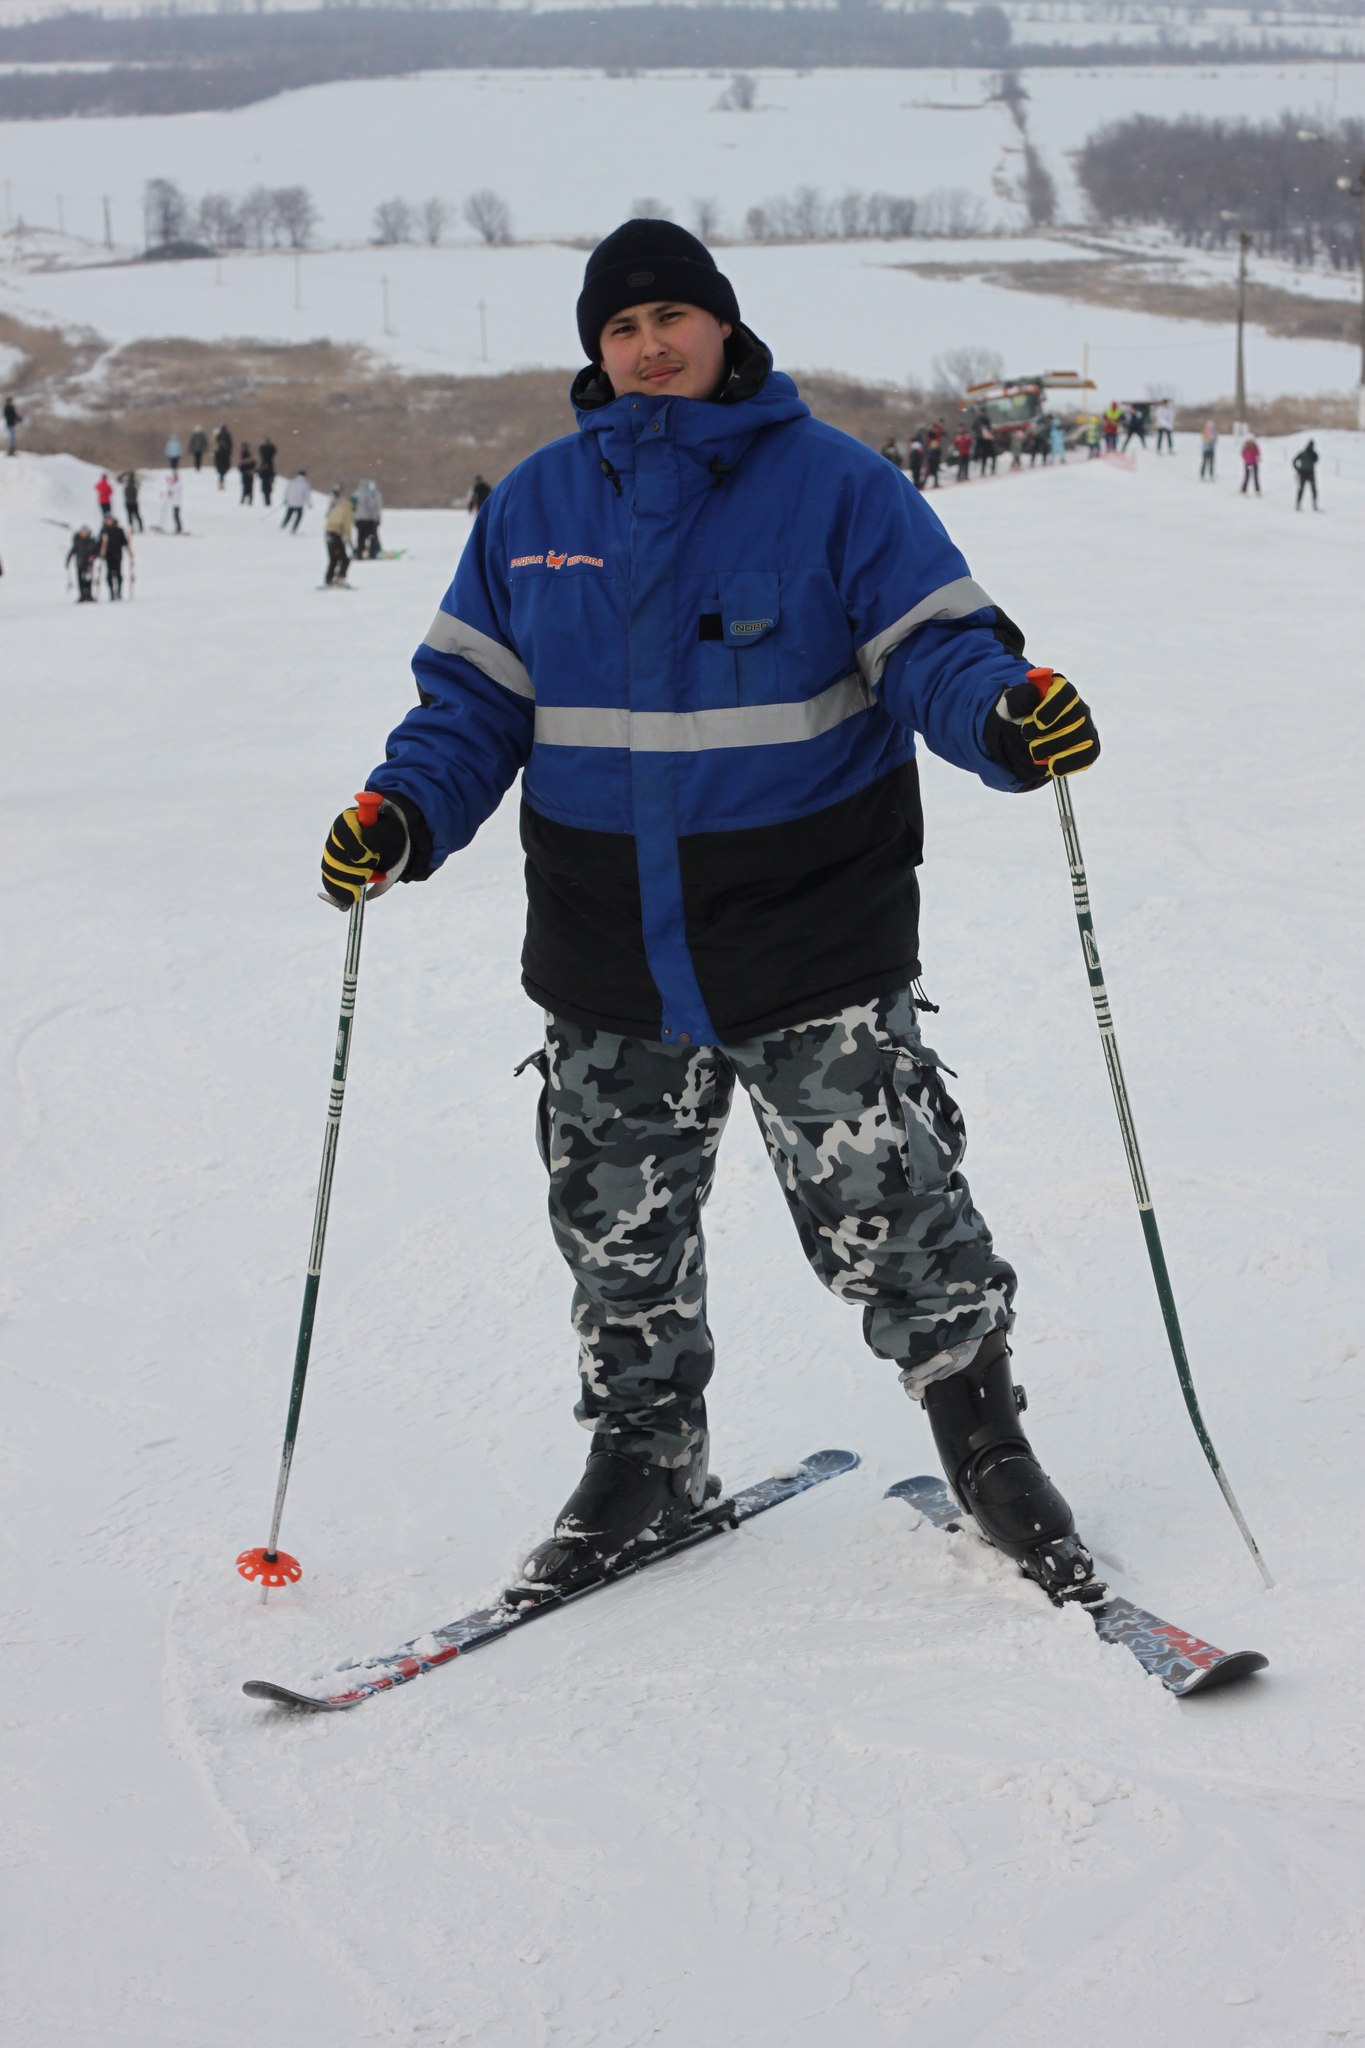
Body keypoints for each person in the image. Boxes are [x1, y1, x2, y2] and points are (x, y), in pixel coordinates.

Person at [317, 218, 1103, 1603]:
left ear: (723, 326)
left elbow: (935, 649)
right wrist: (404, 814)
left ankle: (985, 1443)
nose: (649, 345)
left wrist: (1001, 715)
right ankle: (645, 1458)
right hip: (606, 947)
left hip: (813, 934)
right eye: (621, 328)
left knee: (893, 1206)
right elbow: (472, 708)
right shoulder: (535, 511)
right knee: (617, 1231)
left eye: (671, 317)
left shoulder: (838, 487)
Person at [99, 512, 132, 599]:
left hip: (117, 555)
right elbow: (99, 543)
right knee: (109, 574)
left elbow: (124, 542)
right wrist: (99, 553)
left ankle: (119, 591)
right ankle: (111, 592)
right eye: (107, 520)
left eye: (110, 520)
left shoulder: (119, 530)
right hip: (108, 555)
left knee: (118, 574)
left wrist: (128, 546)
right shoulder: (104, 531)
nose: (108, 522)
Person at [323, 485, 352, 583]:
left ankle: (329, 579)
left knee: (333, 559)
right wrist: (348, 540)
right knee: (344, 559)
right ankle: (340, 578)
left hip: (328, 532)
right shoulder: (347, 509)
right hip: (335, 533)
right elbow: (347, 527)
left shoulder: (339, 505)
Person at [66, 525, 99, 601]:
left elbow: (97, 551)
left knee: (88, 579)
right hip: (80, 563)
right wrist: (68, 560)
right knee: (80, 580)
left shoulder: (92, 541)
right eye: (83, 532)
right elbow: (72, 551)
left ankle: (89, 595)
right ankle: (82, 595)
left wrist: (94, 556)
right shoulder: (78, 542)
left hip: (89, 564)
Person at [354, 476, 383, 557]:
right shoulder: (368, 494)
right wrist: (376, 518)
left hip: (358, 520)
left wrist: (354, 519)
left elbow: (352, 508)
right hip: (368, 520)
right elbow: (372, 506)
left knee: (360, 538)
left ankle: (360, 553)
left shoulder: (356, 494)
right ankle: (373, 553)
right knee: (372, 537)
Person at [282, 468, 311, 533]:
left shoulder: (292, 482)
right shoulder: (305, 484)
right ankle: (294, 529)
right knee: (299, 516)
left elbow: (287, 491)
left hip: (291, 502)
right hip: (299, 504)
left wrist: (286, 499)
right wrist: (309, 503)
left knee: (288, 515)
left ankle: (283, 526)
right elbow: (307, 495)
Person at [1293, 438, 1319, 510]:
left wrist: (1313, 454)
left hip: (1310, 473)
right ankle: (1298, 504)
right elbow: (1294, 460)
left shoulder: (1313, 454)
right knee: (1301, 489)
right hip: (1303, 473)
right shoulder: (1303, 453)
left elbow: (1316, 459)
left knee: (1313, 489)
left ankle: (1314, 504)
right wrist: (1298, 469)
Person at [118, 468, 143, 532]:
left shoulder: (126, 482)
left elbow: (118, 479)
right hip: (134, 502)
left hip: (128, 502)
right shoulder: (135, 482)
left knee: (130, 516)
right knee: (136, 515)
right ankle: (140, 528)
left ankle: (131, 528)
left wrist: (124, 473)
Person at [257, 435, 278, 506]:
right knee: (267, 491)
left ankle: (267, 502)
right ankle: (267, 502)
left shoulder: (263, 449)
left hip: (266, 474)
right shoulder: (269, 449)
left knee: (266, 491)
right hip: (268, 473)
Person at [213, 424, 233, 491]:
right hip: (225, 457)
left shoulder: (219, 435)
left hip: (220, 461)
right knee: (223, 472)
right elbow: (230, 443)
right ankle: (222, 483)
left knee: (221, 473)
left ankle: (221, 483)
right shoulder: (227, 435)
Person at [925, 423, 943, 489]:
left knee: (931, 471)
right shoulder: (934, 441)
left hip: (932, 457)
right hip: (933, 458)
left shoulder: (931, 440)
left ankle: (925, 483)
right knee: (932, 471)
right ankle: (932, 483)